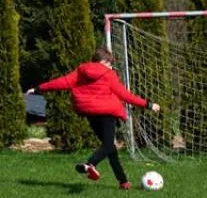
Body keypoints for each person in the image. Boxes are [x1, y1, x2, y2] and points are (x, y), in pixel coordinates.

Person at [27, 47, 160, 189]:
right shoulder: (109, 74)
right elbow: (124, 95)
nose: (111, 66)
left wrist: (38, 88)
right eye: (109, 63)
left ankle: (123, 181)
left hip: (89, 113)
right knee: (108, 145)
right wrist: (148, 104)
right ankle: (90, 164)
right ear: (102, 61)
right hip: (107, 112)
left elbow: (62, 82)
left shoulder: (81, 71)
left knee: (110, 148)